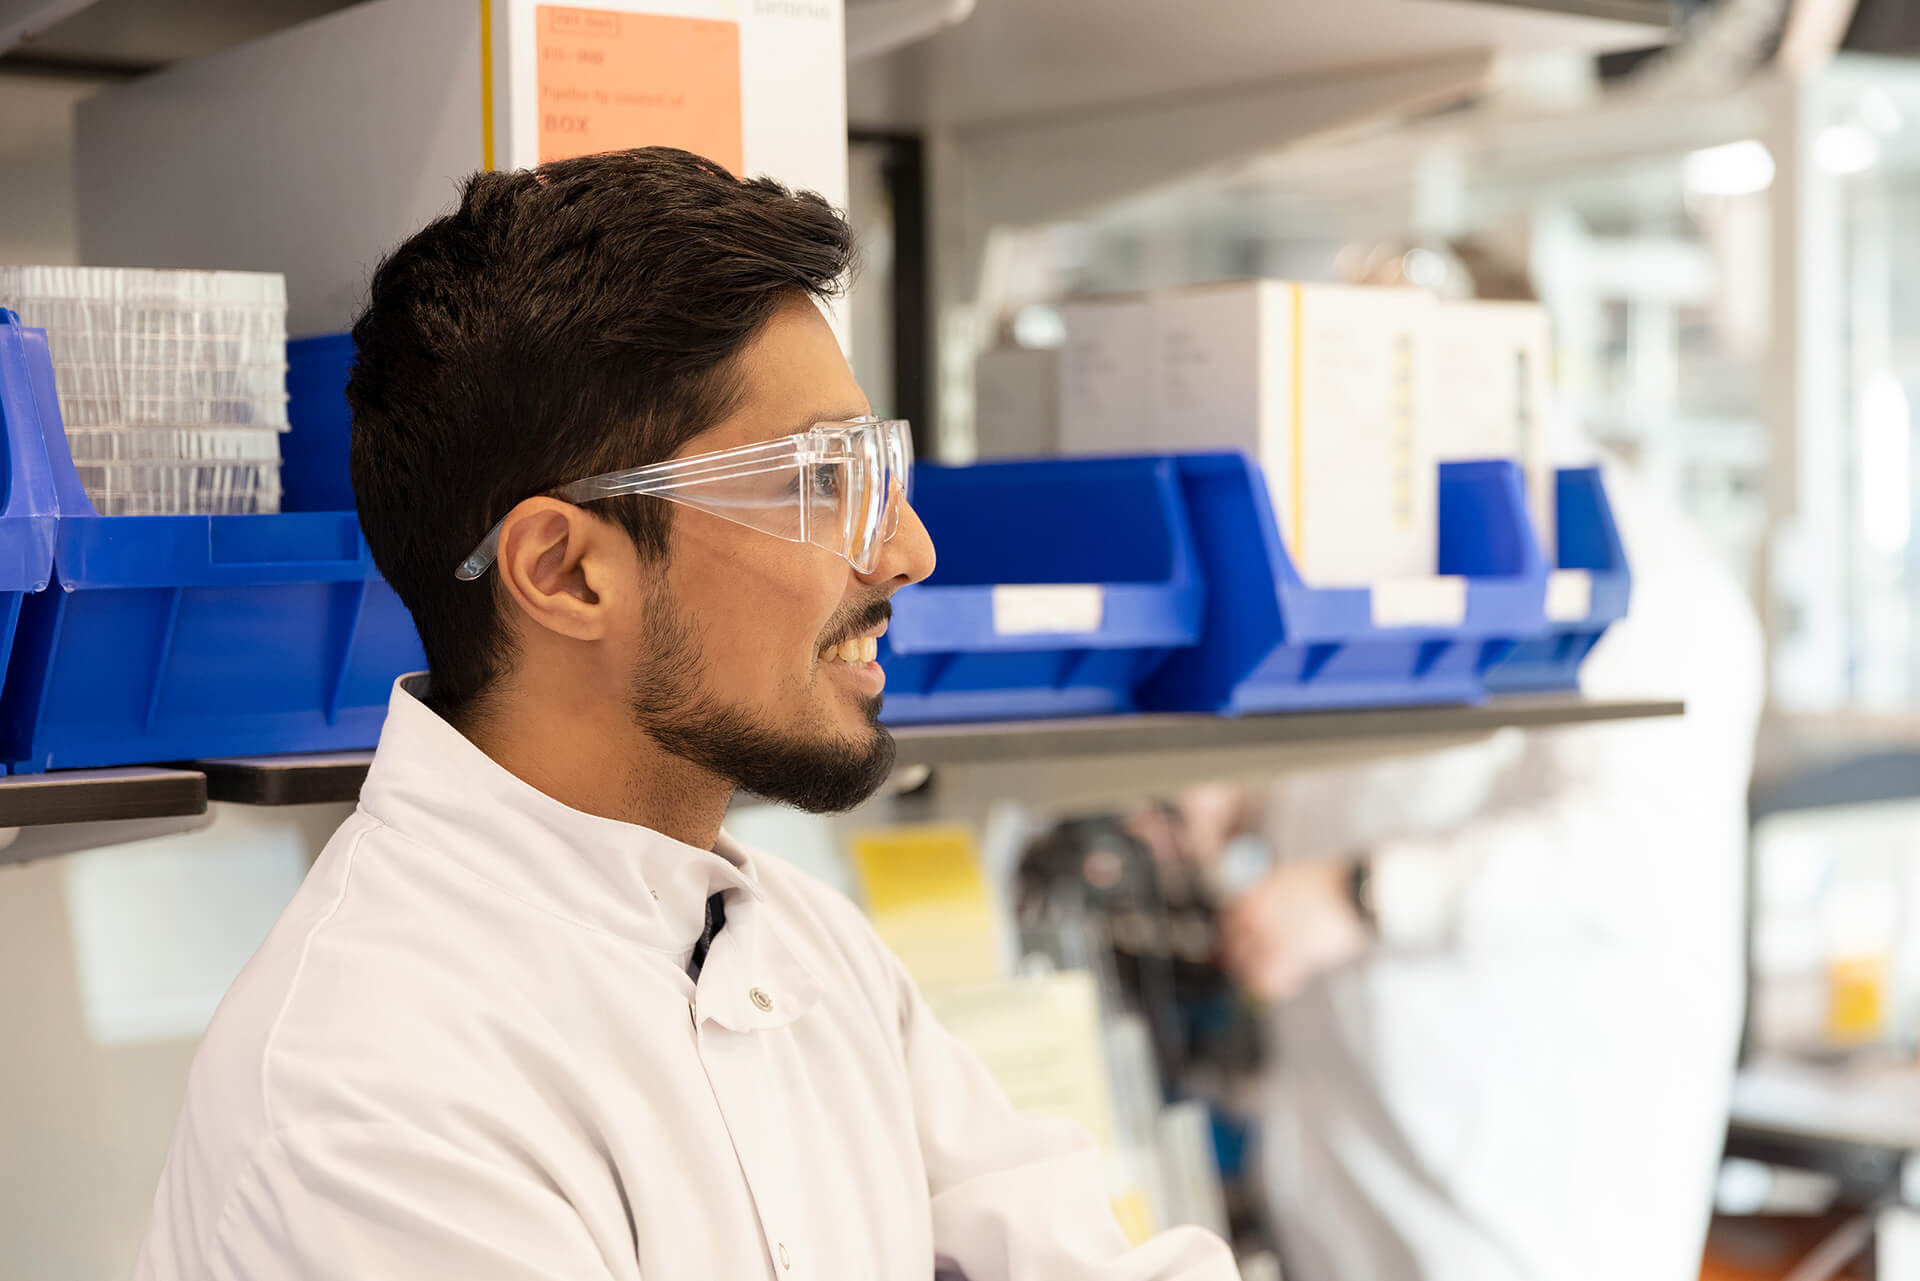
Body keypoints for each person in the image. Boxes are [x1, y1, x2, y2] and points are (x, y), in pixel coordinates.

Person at [132, 148, 1237, 1281]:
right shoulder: (374, 1094)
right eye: (821, 482)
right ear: (565, 573)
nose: (909, 551)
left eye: (877, 469)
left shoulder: (808, 946)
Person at [1208, 454, 1764, 1281]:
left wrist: (1360, 895)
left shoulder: (1650, 568)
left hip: (1521, 1201)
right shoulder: (1376, 521)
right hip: (1352, 1170)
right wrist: (1246, 796)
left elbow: (1627, 850)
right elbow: (1386, 767)